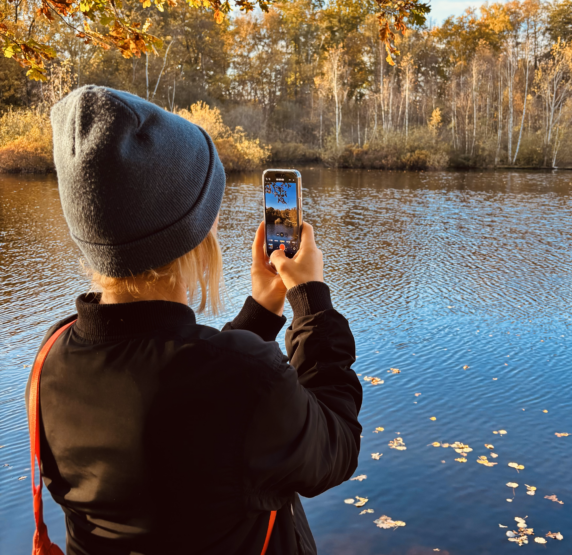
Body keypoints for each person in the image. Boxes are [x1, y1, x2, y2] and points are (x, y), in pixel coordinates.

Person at [27, 86, 363, 555]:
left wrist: (263, 311)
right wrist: (311, 302)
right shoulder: (242, 377)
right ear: (194, 232)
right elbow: (336, 444)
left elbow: (192, 389)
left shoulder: (51, 362)